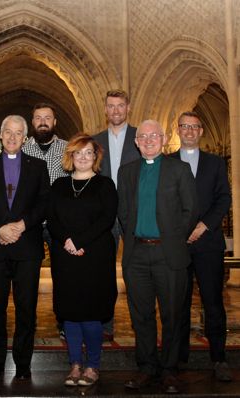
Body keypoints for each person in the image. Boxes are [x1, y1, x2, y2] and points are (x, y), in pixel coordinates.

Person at [118, 120, 198, 394]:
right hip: (137, 253)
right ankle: (146, 368)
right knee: (141, 315)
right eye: (143, 136)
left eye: (154, 136)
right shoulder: (127, 172)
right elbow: (124, 212)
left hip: (168, 253)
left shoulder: (180, 169)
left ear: (163, 140)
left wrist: (174, 238)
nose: (149, 140)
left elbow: (190, 209)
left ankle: (170, 370)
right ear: (136, 142)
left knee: (172, 314)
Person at [0, 115, 50, 380]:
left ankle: (23, 364)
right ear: (1, 134)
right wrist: (0, 229)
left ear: (25, 138)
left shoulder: (38, 167)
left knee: (26, 308)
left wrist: (21, 225)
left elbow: (43, 203)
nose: (13, 137)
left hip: (26, 248)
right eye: (8, 132)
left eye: (18, 133)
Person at [48, 134, 117, 386]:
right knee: (70, 311)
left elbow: (107, 219)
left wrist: (80, 241)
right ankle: (75, 364)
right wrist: (67, 240)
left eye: (89, 153)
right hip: (65, 256)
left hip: (95, 256)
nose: (84, 157)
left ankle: (92, 366)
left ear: (95, 157)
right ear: (71, 156)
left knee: (91, 311)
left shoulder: (105, 185)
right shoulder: (58, 186)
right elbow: (52, 218)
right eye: (79, 153)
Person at [171, 111, 232, 381]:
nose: (189, 131)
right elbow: (163, 203)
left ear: (201, 131)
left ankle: (219, 358)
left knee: (213, 302)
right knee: (178, 304)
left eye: (195, 127)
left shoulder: (215, 163)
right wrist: (182, 230)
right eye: (185, 127)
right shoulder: (166, 162)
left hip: (208, 243)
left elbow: (223, 199)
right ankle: (180, 358)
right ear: (178, 130)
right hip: (178, 244)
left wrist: (203, 226)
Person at [93, 89, 140, 342]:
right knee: (103, 273)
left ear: (128, 108)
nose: (116, 111)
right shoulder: (95, 140)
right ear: (105, 110)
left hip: (133, 214)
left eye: (120, 106)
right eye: (111, 106)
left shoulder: (140, 137)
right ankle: (105, 325)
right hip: (104, 216)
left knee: (136, 272)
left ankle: (139, 324)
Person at [22, 103, 68, 338]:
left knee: (63, 275)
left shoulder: (69, 149)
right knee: (28, 277)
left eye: (47, 118)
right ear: (32, 122)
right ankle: (27, 325)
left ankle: (64, 322)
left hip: (59, 223)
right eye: (38, 117)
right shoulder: (22, 150)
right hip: (30, 224)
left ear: (54, 122)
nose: (43, 122)